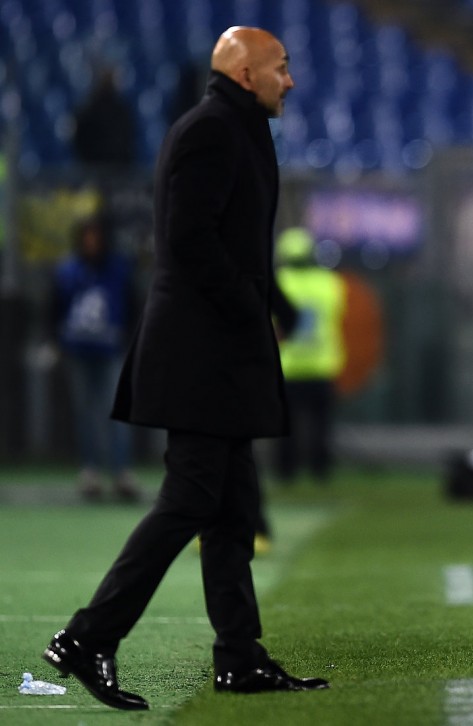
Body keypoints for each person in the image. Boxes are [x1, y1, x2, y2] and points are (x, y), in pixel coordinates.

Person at [40, 27, 328, 711]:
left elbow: (233, 242)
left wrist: (271, 304)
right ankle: (88, 637)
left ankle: (238, 656)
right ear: (246, 71)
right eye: (280, 69)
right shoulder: (212, 131)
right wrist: (249, 309)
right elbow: (188, 242)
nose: (289, 81)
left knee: (230, 509)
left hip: (219, 352)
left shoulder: (235, 126)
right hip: (203, 354)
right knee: (192, 499)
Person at [52, 215, 141, 501]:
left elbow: (132, 304)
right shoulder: (67, 271)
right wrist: (56, 341)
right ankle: (90, 470)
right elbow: (54, 307)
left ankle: (121, 471)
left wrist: (130, 340)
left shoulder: (118, 268)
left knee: (115, 411)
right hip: (78, 350)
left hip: (110, 349)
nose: (91, 242)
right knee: (85, 412)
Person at [273, 226, 346, 485]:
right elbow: (337, 314)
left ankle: (285, 471)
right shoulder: (330, 283)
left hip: (288, 365)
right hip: (320, 364)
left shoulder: (280, 281)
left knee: (285, 426)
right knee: (320, 425)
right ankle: (320, 470)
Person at [72, 66, 138, 168]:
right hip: (95, 169)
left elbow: (128, 140)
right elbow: (81, 140)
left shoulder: (121, 110)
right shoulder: (89, 110)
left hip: (119, 170)